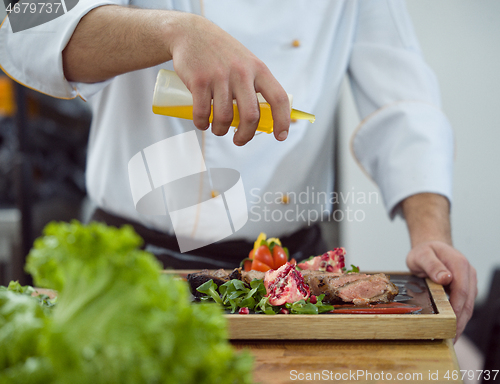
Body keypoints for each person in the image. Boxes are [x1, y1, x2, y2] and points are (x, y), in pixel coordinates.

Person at [0, 0, 476, 339]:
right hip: (131, 265)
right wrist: (173, 31)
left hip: (295, 279)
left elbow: (402, 102)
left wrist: (431, 231)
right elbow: (21, 19)